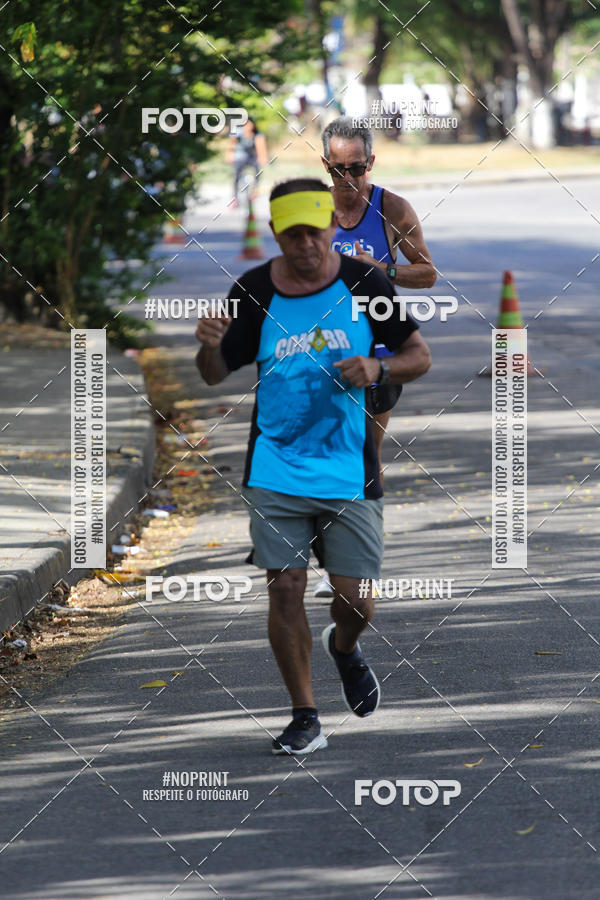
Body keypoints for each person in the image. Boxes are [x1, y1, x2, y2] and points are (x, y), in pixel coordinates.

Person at [195, 178, 430, 755]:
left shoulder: (363, 281)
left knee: (355, 600)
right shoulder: (252, 291)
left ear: (331, 226)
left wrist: (379, 372)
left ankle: (344, 648)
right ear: (276, 235)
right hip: (275, 467)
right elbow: (212, 373)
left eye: (315, 231)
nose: (306, 245)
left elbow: (418, 356)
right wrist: (206, 344)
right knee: (286, 588)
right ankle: (305, 715)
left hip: (350, 467)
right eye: (293, 234)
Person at [312, 116, 437, 600]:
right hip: (323, 350)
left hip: (381, 350)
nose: (348, 179)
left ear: (371, 162)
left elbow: (426, 273)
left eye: (357, 167)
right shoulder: (315, 210)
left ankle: (357, 562)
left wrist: (380, 268)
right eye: (339, 169)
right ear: (326, 165)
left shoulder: (391, 209)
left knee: (363, 448)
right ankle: (334, 559)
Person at [226, 117, 268, 207]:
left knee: (258, 170)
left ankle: (254, 191)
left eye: (250, 124)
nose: (249, 126)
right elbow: (231, 144)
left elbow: (260, 147)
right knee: (236, 176)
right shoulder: (238, 132)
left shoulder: (256, 135)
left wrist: (262, 158)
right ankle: (235, 198)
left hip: (251, 157)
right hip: (239, 157)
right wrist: (230, 155)